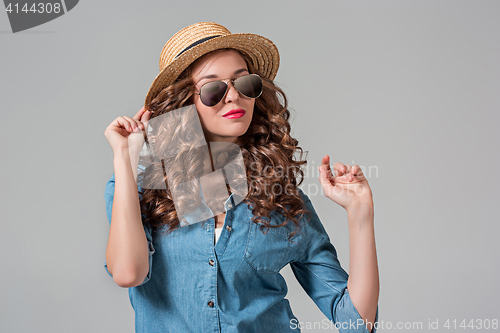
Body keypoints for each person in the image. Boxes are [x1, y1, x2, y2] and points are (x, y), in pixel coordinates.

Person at [103, 22, 379, 333]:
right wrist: (125, 160)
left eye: (243, 82)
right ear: (183, 102)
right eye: (213, 88)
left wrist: (360, 215)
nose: (233, 96)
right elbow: (128, 274)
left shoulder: (281, 198)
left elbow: (356, 322)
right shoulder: (141, 189)